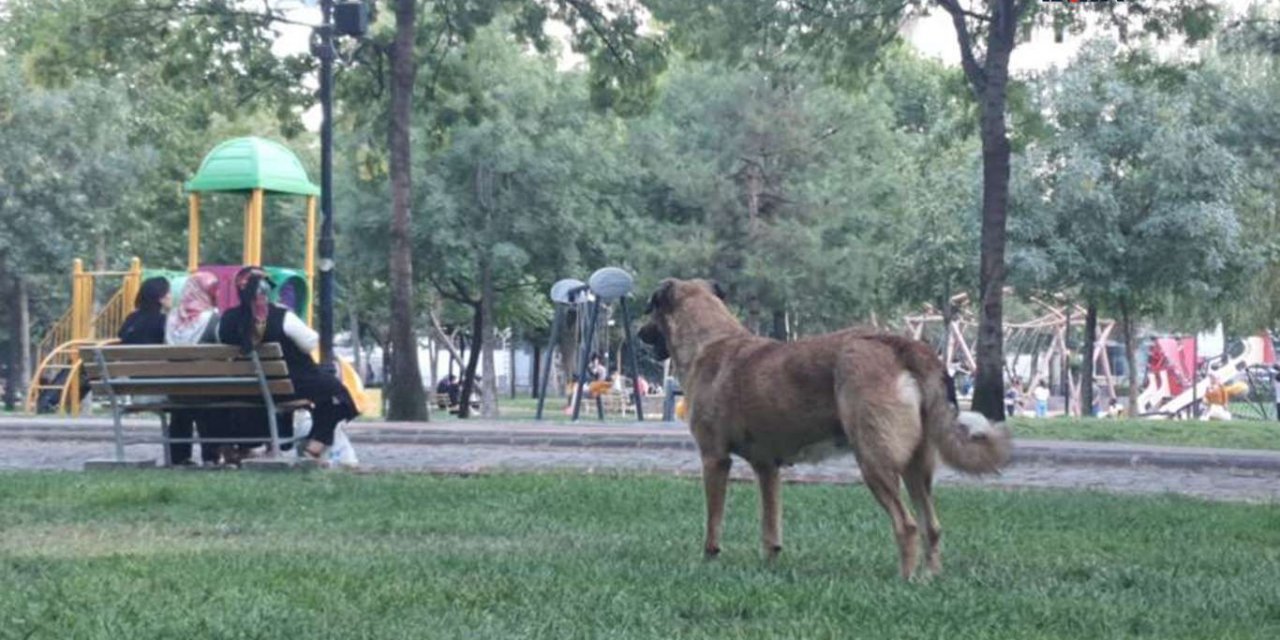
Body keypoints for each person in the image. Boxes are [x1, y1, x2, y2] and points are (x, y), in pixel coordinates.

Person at [218, 266, 358, 460]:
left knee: (323, 387)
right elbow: (310, 343)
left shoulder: (227, 319)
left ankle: (244, 448)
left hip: (247, 387)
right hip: (288, 385)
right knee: (336, 391)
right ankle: (315, 445)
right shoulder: (281, 316)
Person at [164, 273, 223, 466]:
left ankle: (179, 457)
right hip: (207, 389)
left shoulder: (171, 317)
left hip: (174, 388)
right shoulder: (212, 319)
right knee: (209, 399)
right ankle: (211, 456)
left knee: (182, 406)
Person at [118, 277, 171, 345]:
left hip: (126, 355)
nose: (170, 296)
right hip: (154, 355)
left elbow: (121, 334)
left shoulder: (131, 318)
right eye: (169, 292)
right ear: (161, 298)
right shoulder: (164, 321)